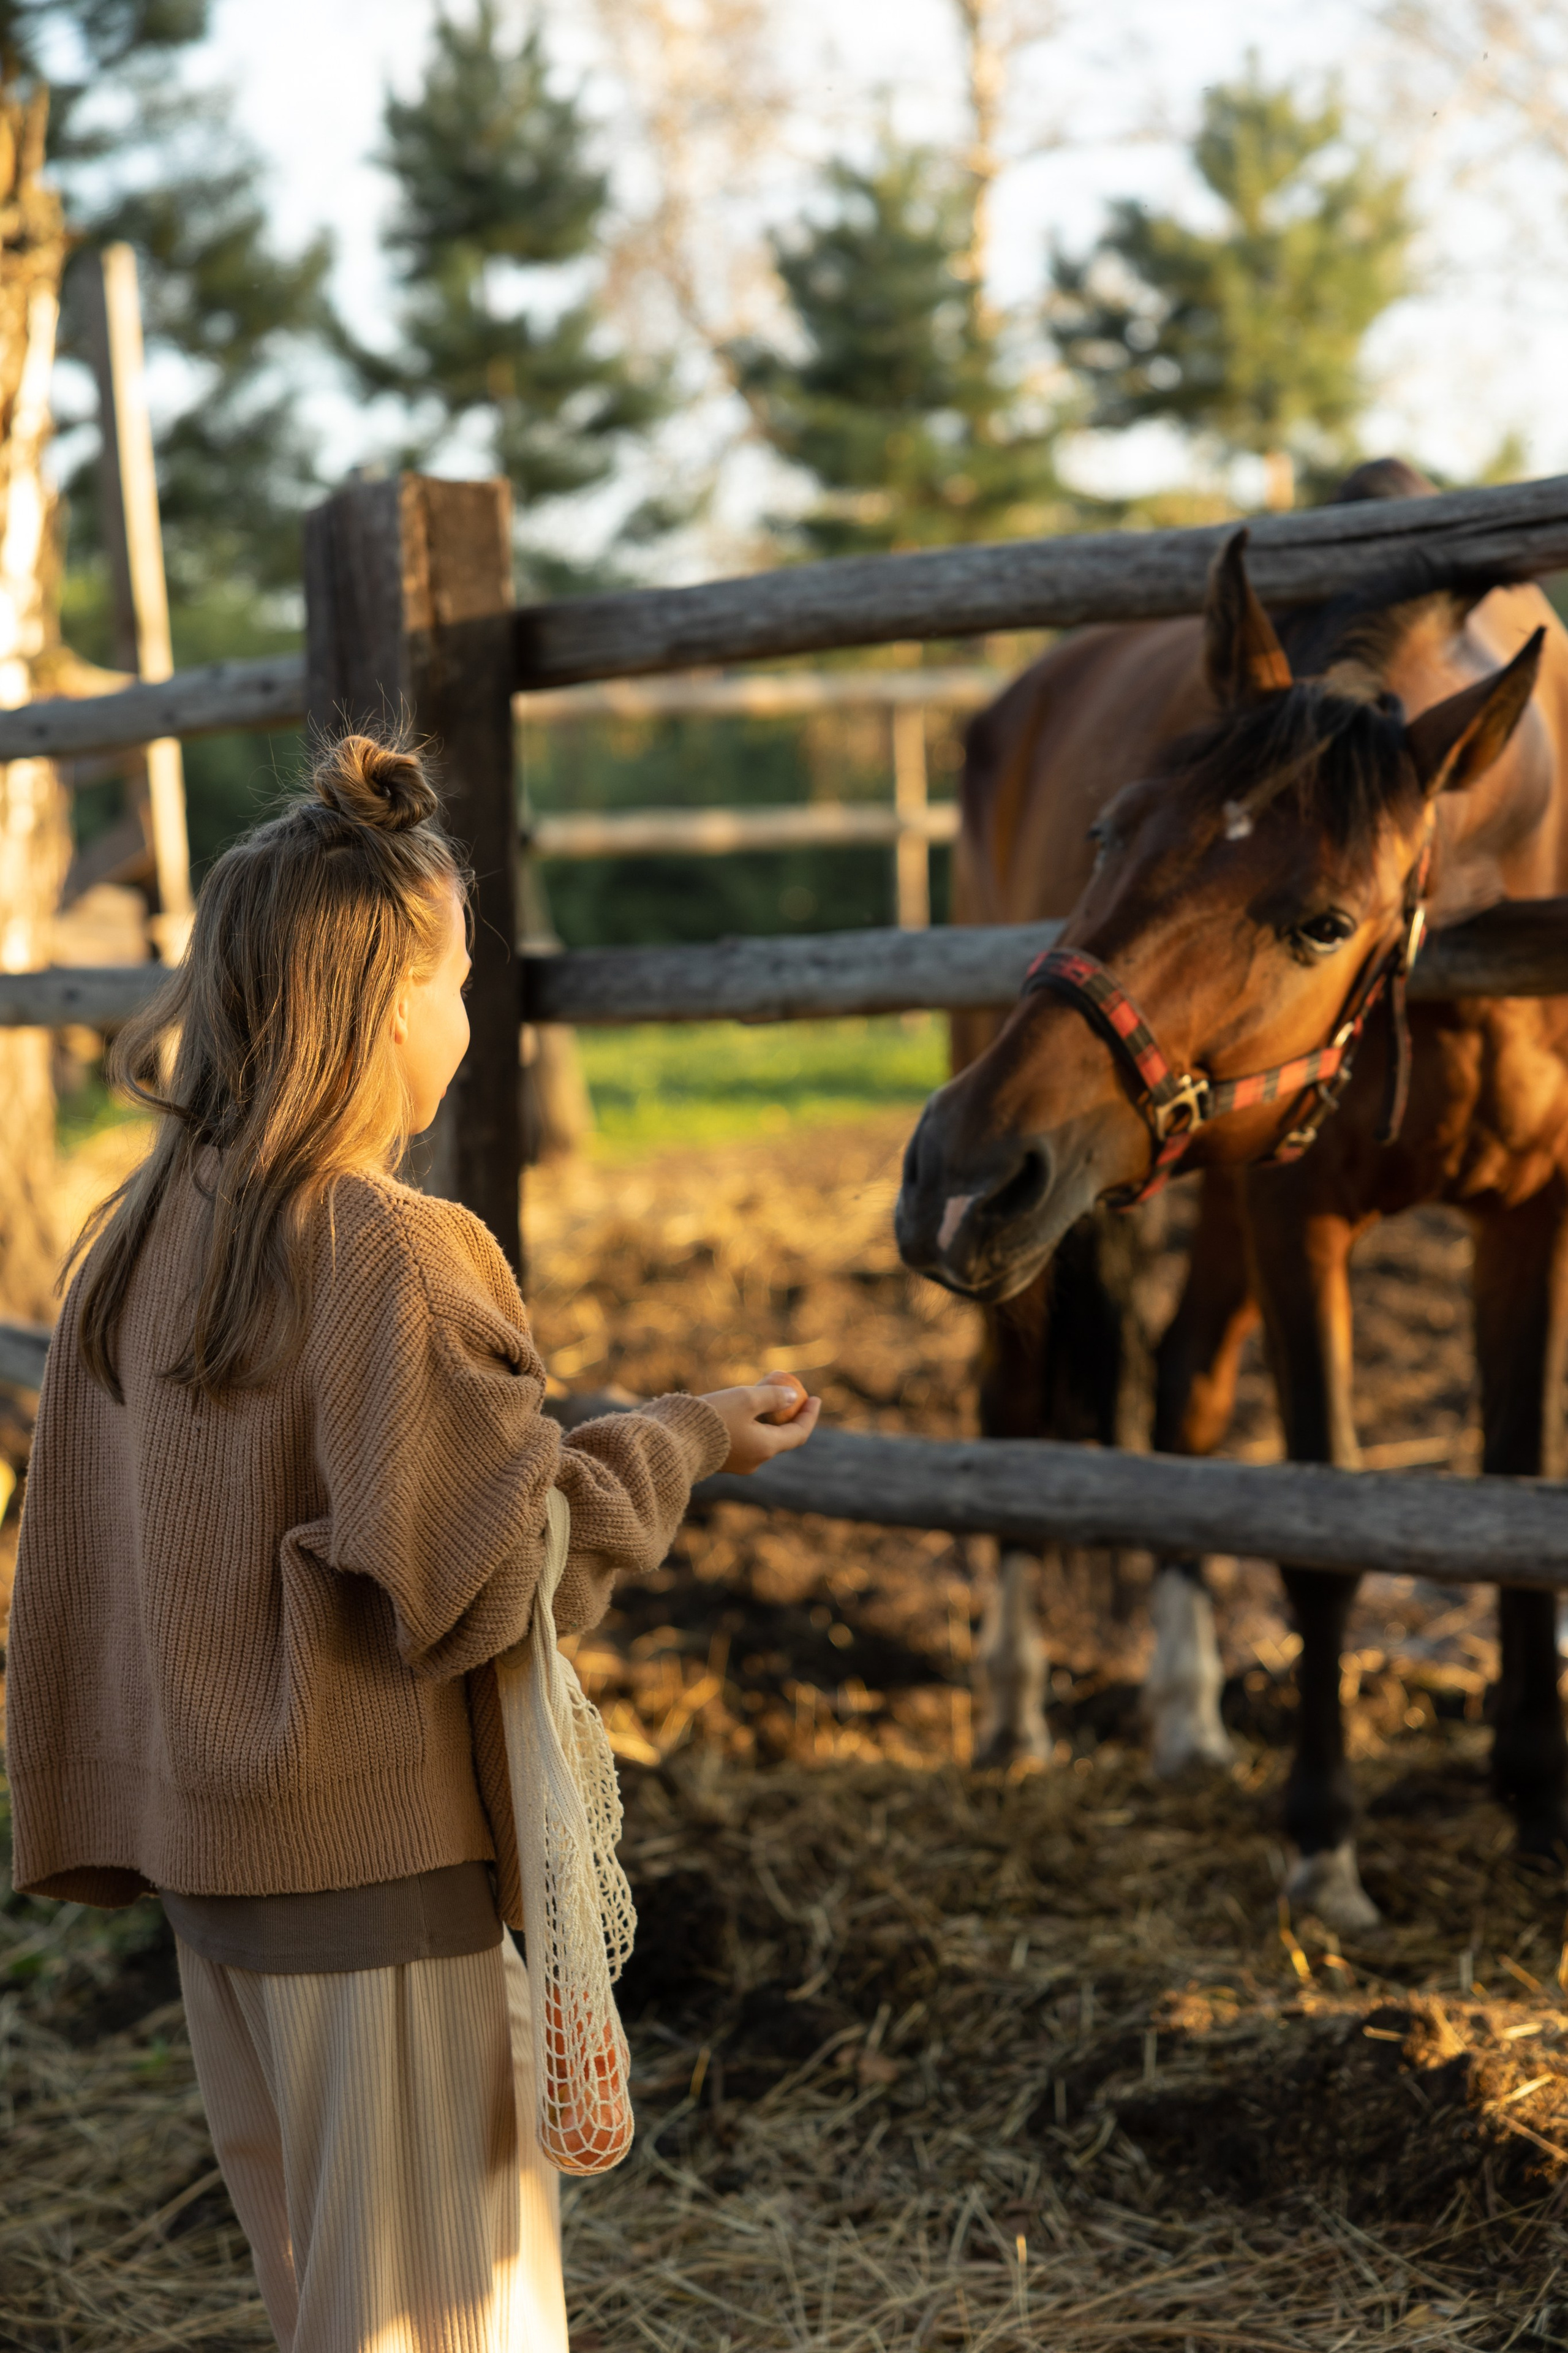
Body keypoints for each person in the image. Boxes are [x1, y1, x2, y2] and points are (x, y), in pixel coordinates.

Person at [4, 733, 820, 2353]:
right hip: (378, 1884)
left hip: (219, 1889)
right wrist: (688, 1438)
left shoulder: (139, 1234)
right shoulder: (386, 1246)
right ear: (380, 1010)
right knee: (446, 2323)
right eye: (453, 975)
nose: (468, 1010)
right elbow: (491, 1566)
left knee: (323, 2299)